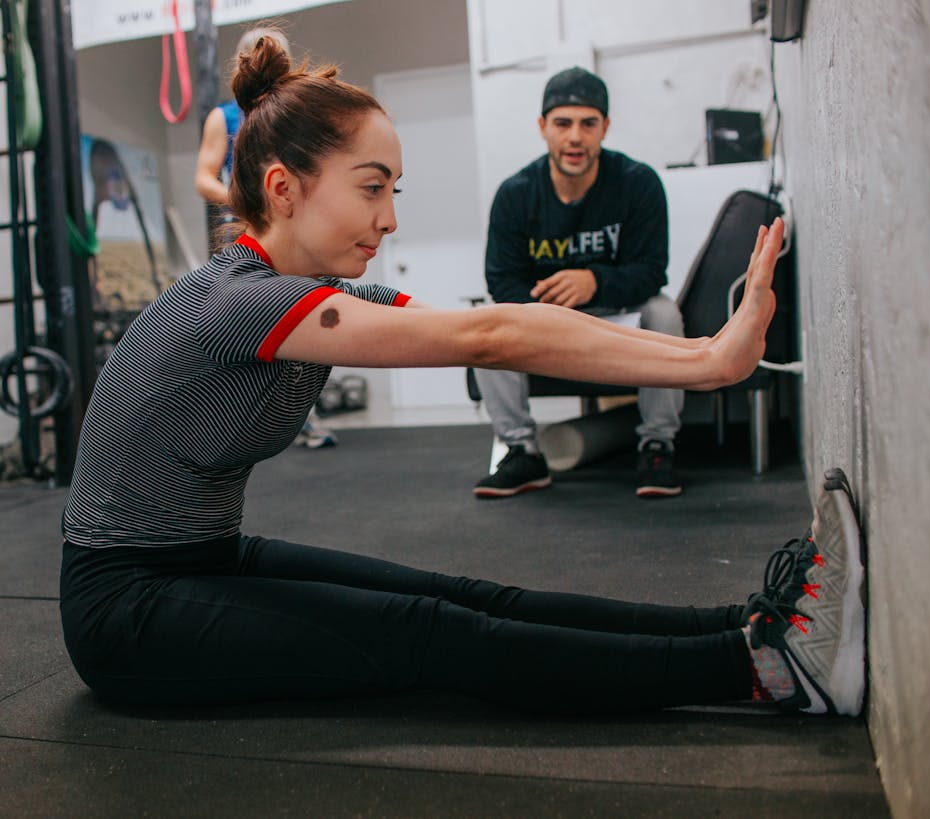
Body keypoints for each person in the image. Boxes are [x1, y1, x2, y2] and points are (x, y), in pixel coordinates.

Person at [59, 31, 865, 718]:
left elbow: (512, 331)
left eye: (393, 190)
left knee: (467, 595)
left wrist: (705, 355)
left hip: (205, 557)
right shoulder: (241, 302)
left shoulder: (322, 295)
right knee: (427, 632)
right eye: (372, 188)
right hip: (126, 609)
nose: (390, 218)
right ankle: (768, 672)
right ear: (284, 188)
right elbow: (491, 332)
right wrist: (708, 362)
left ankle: (752, 623)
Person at [473, 67, 685, 500]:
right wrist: (550, 314)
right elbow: (502, 280)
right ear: (543, 128)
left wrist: (593, 281)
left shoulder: (638, 183)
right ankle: (521, 451)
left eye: (588, 123)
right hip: (545, 316)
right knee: (482, 321)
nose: (575, 137)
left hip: (614, 311)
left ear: (605, 127)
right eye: (563, 123)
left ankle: (657, 445)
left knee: (664, 312)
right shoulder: (515, 193)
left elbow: (651, 270)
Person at [194, 28, 332, 448]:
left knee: (305, 314)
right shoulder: (224, 117)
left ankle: (301, 416)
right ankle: (242, 419)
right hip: (247, 233)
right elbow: (203, 177)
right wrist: (246, 202)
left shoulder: (298, 111)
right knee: (245, 324)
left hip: (295, 229)